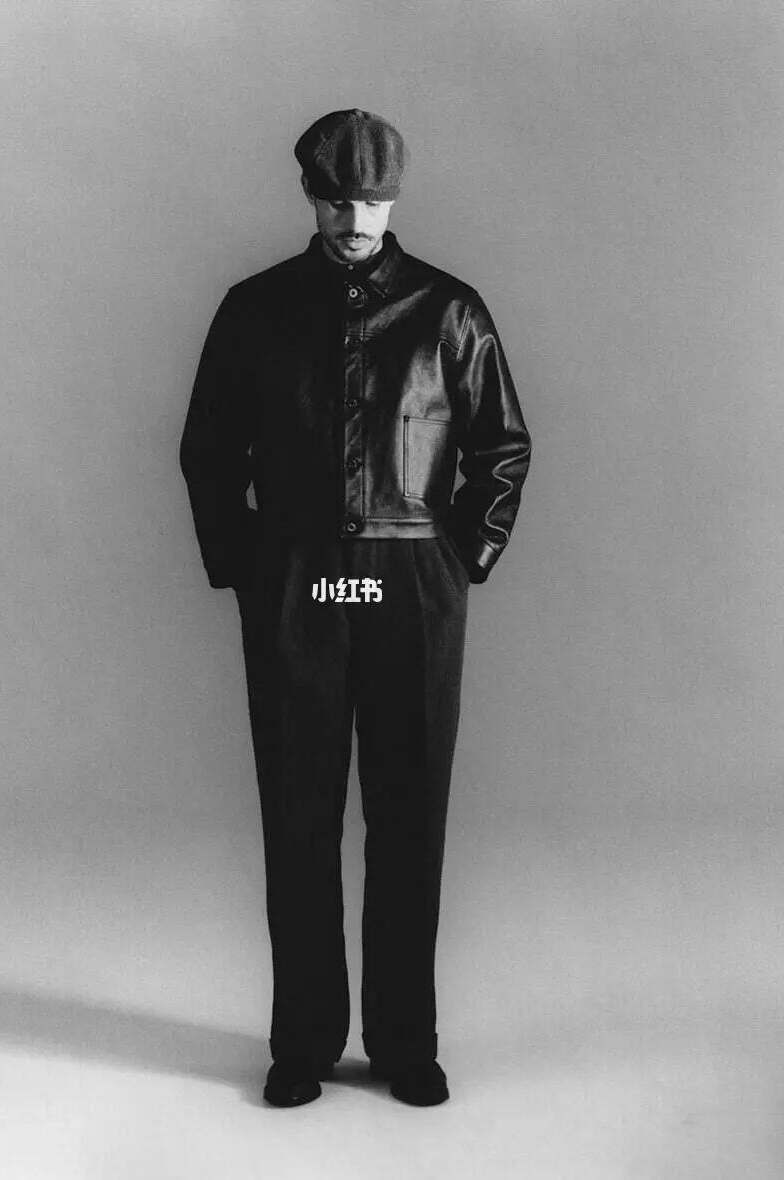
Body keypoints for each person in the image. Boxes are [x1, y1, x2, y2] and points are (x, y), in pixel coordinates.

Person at [180, 109, 531, 1108]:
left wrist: (464, 557)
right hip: (298, 578)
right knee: (296, 812)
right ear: (309, 194)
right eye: (335, 198)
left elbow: (501, 446)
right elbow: (209, 448)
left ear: (393, 196)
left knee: (409, 813)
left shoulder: (447, 310)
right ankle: (302, 1042)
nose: (353, 218)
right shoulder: (255, 310)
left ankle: (405, 1043)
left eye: (370, 199)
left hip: (411, 577)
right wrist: (247, 565)